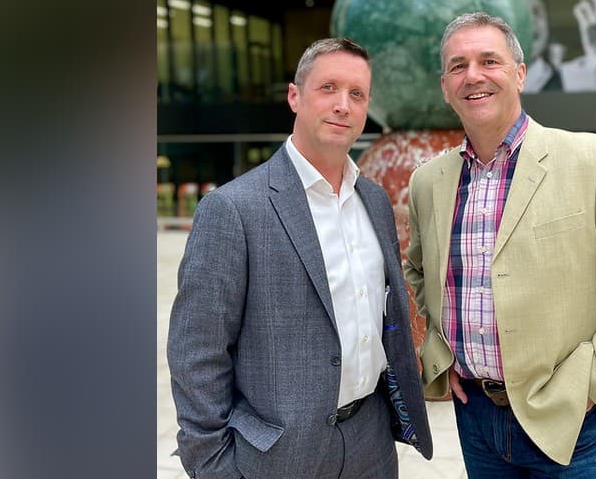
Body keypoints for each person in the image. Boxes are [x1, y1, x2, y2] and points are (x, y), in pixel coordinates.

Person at [403, 12, 596, 477]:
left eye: (490, 61)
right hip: (476, 419)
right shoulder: (428, 182)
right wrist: (441, 354)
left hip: (571, 422)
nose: (473, 75)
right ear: (445, 86)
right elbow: (419, 271)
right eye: (458, 66)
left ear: (520, 73)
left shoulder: (594, 161)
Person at [168, 38, 433, 479]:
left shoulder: (374, 201)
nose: (343, 105)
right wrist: (212, 465)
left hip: (372, 443)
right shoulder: (233, 209)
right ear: (295, 96)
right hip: (277, 455)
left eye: (357, 94)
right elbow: (197, 351)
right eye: (328, 88)